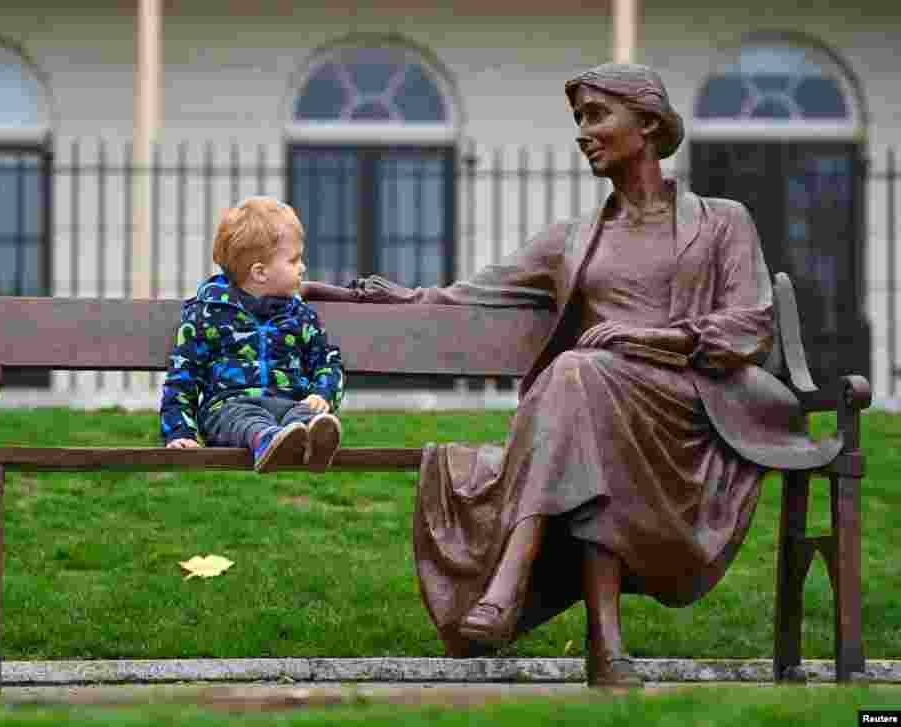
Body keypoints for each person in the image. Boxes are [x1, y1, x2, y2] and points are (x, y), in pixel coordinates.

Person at [302, 63, 839, 687]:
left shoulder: (722, 221)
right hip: (601, 415)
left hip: (692, 410)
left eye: (596, 115)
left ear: (648, 123)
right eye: (578, 119)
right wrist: (360, 298)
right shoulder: (571, 240)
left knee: (580, 377)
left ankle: (511, 575)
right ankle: (606, 649)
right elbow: (466, 296)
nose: (583, 132)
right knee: (586, 397)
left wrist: (656, 339)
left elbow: (751, 325)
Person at [161, 196, 345, 473]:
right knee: (246, 417)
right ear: (260, 272)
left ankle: (311, 440)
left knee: (305, 415)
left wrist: (323, 393)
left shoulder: (301, 316)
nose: (302, 267)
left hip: (287, 407)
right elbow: (183, 376)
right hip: (228, 408)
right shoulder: (208, 314)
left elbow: (328, 361)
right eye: (294, 260)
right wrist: (179, 432)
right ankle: (270, 441)